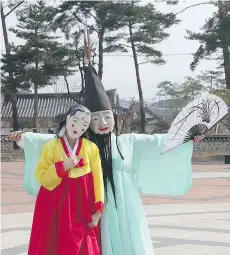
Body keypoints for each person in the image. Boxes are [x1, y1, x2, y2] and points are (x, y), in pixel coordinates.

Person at [10, 69, 203, 255]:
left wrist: (186, 137)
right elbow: (49, 141)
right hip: (88, 203)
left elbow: (157, 143)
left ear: (114, 118)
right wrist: (24, 138)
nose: (103, 124)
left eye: (107, 117)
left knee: (129, 238)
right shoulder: (86, 145)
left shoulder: (126, 142)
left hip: (124, 202)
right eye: (96, 119)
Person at [14, 104, 104, 255]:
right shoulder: (51, 146)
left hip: (82, 205)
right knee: (52, 242)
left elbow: (98, 180)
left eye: (84, 125)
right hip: (54, 204)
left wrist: (98, 212)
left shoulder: (91, 148)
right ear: (67, 119)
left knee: (84, 244)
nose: (78, 127)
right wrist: (63, 166)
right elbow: (42, 175)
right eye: (75, 121)